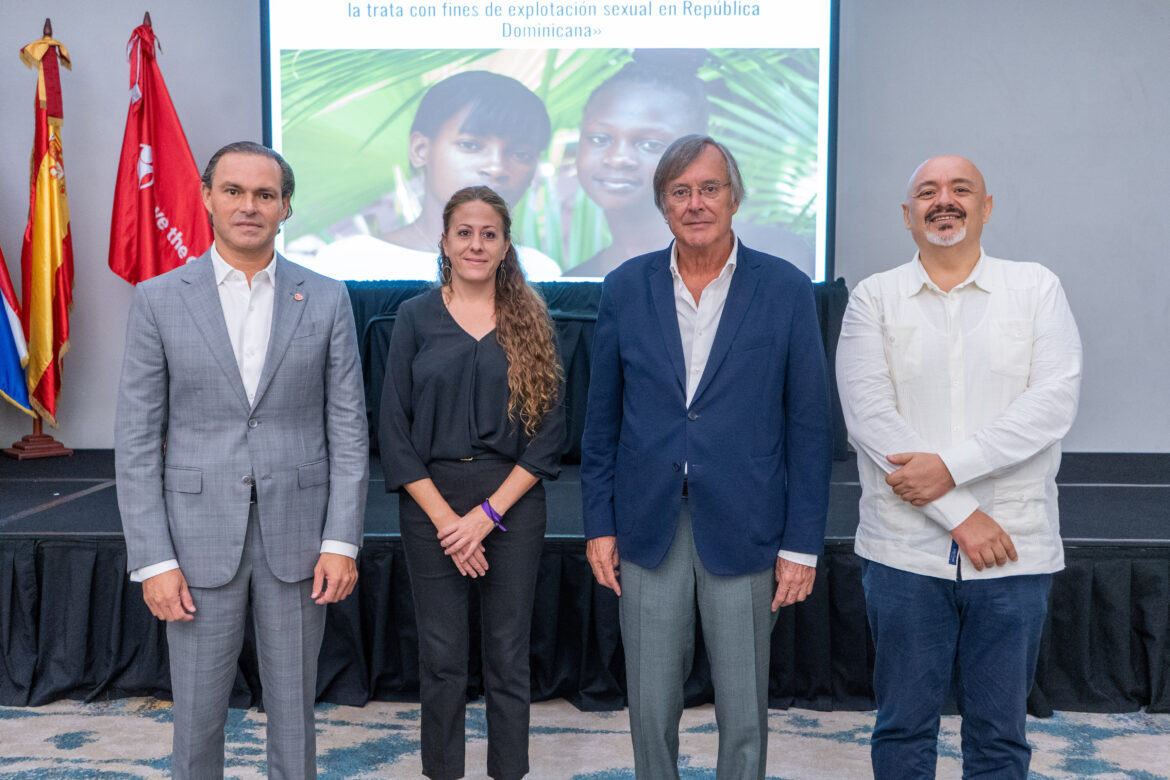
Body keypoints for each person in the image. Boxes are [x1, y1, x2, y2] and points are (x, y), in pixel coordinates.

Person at [114, 141, 369, 780]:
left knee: (295, 713)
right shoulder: (158, 298)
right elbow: (138, 439)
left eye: (264, 194)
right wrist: (154, 558)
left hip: (302, 540)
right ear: (206, 198)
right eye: (233, 191)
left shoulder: (329, 297)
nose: (248, 206)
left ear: (286, 207)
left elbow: (348, 429)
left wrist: (342, 541)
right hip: (195, 542)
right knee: (197, 716)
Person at [580, 134, 832, 778]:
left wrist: (802, 544)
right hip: (647, 524)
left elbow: (808, 427)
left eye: (709, 188)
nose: (696, 204)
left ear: (735, 196)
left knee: (744, 708)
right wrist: (599, 525)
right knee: (650, 702)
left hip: (747, 524)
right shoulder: (624, 287)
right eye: (680, 191)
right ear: (663, 205)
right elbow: (602, 422)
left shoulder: (784, 287)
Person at [836, 155, 1082, 779]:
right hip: (904, 556)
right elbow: (870, 420)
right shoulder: (874, 297)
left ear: (986, 206)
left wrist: (948, 469)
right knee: (902, 730)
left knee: (1001, 736)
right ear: (908, 214)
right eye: (927, 192)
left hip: (1015, 551)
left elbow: (1051, 405)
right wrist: (963, 514)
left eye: (960, 189)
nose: (943, 201)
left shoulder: (1036, 287)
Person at [379, 185, 566, 779]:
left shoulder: (534, 320)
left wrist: (486, 517)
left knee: (509, 657)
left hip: (511, 504)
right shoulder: (412, 317)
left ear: (506, 245)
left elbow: (550, 436)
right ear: (444, 240)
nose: (476, 244)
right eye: (465, 232)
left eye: (489, 234)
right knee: (441, 659)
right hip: (431, 505)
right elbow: (394, 431)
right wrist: (447, 521)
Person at [565, 51, 814, 279]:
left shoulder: (778, 257)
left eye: (650, 144)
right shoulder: (575, 280)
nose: (618, 158)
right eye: (599, 139)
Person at [306, 71, 562, 282]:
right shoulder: (348, 263)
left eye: (521, 154)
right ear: (420, 150)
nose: (497, 167)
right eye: (471, 145)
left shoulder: (540, 272)